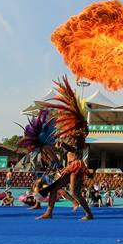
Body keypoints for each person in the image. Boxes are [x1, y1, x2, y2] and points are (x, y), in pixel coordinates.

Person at [35, 77, 93, 220]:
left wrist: (64, 145)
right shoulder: (71, 136)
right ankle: (49, 213)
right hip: (70, 167)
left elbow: (74, 150)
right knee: (54, 188)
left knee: (75, 192)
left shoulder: (79, 138)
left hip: (77, 167)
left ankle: (89, 214)